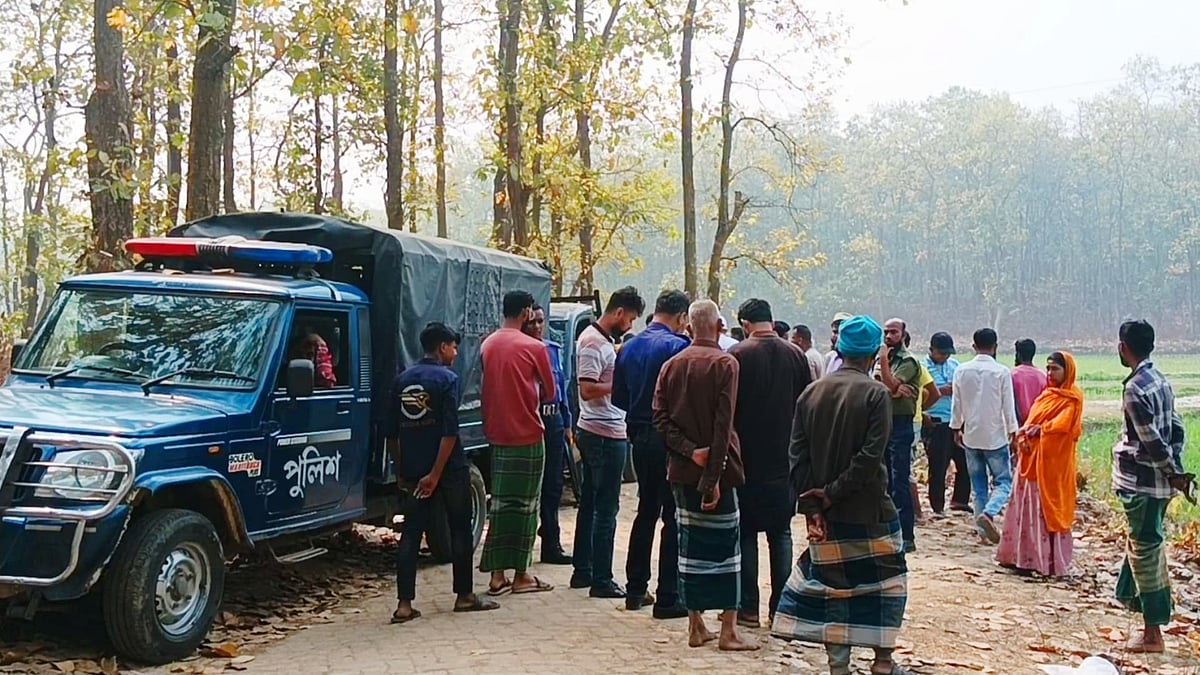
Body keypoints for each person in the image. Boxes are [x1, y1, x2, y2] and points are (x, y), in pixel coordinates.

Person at [772, 315, 912, 675]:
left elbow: (796, 457)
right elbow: (870, 458)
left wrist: (814, 505)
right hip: (870, 510)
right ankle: (882, 661)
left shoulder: (811, 393)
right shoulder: (876, 393)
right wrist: (833, 494)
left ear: (839, 348)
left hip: (827, 518)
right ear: (871, 354)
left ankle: (839, 666)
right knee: (886, 587)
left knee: (835, 590)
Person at [653, 299, 757, 652]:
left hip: (682, 471)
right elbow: (722, 425)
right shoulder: (727, 364)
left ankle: (695, 626)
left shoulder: (671, 366)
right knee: (726, 551)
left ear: (688, 327)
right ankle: (728, 630)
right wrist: (712, 477)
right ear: (718, 327)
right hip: (719, 473)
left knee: (689, 548)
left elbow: (660, 420)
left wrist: (688, 451)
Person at [387, 323, 499, 623]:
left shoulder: (401, 381)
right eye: (453, 347)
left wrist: (401, 471)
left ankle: (404, 605)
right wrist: (436, 473)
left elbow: (392, 433)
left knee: (410, 535)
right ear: (441, 347)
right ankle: (464, 596)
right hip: (448, 470)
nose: (455, 352)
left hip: (413, 470)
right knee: (460, 530)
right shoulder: (448, 379)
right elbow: (450, 433)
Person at [730, 299, 811, 627]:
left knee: (746, 532)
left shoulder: (737, 356)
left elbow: (728, 411)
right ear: (771, 320)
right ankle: (781, 609)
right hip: (785, 461)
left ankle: (748, 608)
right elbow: (805, 406)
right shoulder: (796, 355)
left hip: (747, 461)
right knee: (781, 534)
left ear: (745, 323)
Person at [1112, 320, 1192, 653]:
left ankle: (1152, 633)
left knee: (1146, 552)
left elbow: (1151, 440)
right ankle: (1138, 609)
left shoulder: (1134, 388)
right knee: (1144, 544)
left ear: (1123, 348)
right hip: (1159, 485)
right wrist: (1175, 471)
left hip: (1142, 483)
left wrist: (1172, 471)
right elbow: (1175, 428)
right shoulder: (1160, 380)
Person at [612, 289, 691, 619]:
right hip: (670, 438)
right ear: (682, 317)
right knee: (672, 515)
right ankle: (668, 596)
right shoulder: (678, 348)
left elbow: (618, 398)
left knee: (646, 509)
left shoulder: (628, 347)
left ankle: (634, 588)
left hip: (638, 435)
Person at [479, 290, 557, 596]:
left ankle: (497, 575)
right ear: (526, 312)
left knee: (500, 505)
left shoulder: (487, 344)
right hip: (527, 433)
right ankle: (522, 575)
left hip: (496, 435)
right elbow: (550, 392)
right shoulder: (535, 348)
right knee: (526, 506)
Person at [571, 286, 645, 599]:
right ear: (618, 313)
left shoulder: (601, 342)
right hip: (602, 433)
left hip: (601, 430)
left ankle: (584, 571)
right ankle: (601, 578)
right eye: (630, 318)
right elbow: (587, 389)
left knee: (590, 503)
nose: (630, 325)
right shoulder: (591, 342)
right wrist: (619, 382)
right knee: (605, 508)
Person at [997, 351, 1083, 578]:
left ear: (1068, 371)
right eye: (1048, 368)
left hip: (1053, 465)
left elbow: (1062, 426)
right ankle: (1020, 557)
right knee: (1026, 507)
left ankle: (1047, 562)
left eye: (1056, 369)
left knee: (1046, 510)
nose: (1050, 373)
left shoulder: (1072, 398)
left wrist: (1041, 430)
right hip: (1030, 461)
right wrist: (1025, 435)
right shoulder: (1046, 396)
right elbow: (1032, 420)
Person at [950, 328, 1018, 545]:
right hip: (995, 436)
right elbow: (1008, 406)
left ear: (973, 346)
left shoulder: (961, 370)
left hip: (971, 435)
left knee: (978, 486)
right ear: (995, 347)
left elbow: (957, 403)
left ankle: (982, 533)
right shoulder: (1001, 372)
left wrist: (955, 427)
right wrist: (1013, 432)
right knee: (1004, 482)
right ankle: (989, 513)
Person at [521, 305, 573, 566]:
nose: (537, 327)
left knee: (553, 486)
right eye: (531, 322)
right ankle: (522, 550)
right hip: (530, 421)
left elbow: (560, 387)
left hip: (553, 421)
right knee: (530, 487)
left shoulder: (551, 350)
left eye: (540, 321)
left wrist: (566, 422)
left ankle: (552, 544)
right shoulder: (520, 350)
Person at [875, 318, 923, 552]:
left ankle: (906, 536)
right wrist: (891, 388)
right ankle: (887, 531)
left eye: (893, 332)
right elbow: (881, 387)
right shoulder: (884, 359)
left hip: (901, 425)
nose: (888, 336)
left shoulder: (908, 361)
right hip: (882, 422)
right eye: (885, 332)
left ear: (903, 334)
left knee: (899, 481)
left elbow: (889, 384)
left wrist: (885, 367)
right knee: (883, 480)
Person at [924, 332, 969, 514]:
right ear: (931, 350)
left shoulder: (955, 366)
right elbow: (921, 392)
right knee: (938, 466)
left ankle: (960, 501)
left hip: (955, 421)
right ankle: (937, 506)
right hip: (935, 422)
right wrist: (940, 390)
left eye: (947, 353)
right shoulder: (922, 367)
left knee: (964, 462)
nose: (944, 356)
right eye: (941, 353)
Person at [1012, 339, 1048, 425]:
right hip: (1037, 425)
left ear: (1018, 354)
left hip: (1018, 425)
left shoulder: (1011, 375)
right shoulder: (1043, 376)